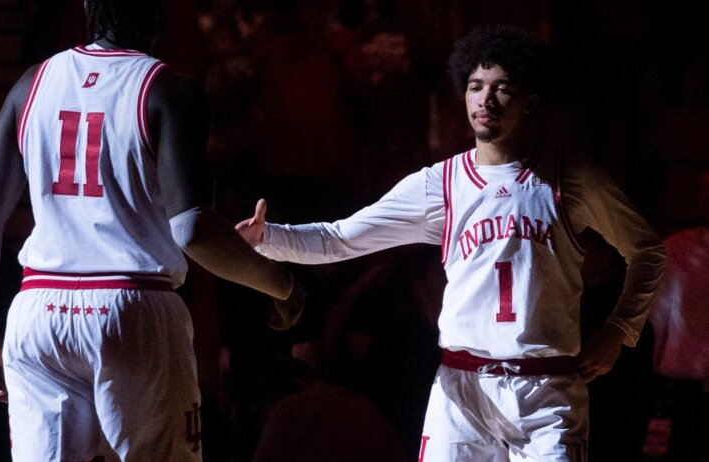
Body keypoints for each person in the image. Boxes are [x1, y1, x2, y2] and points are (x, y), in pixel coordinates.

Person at [236, 24, 666, 461]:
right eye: (476, 86)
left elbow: (647, 250)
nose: (485, 99)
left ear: (529, 102)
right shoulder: (439, 184)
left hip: (545, 388)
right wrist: (267, 238)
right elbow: (341, 239)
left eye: (502, 89)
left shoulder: (569, 177)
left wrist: (618, 330)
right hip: (462, 389)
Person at [0, 1, 304, 461]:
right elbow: (194, 230)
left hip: (39, 312)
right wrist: (281, 284)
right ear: (160, 14)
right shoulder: (169, 90)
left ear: (87, 7)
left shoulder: (31, 84)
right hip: (133, 304)